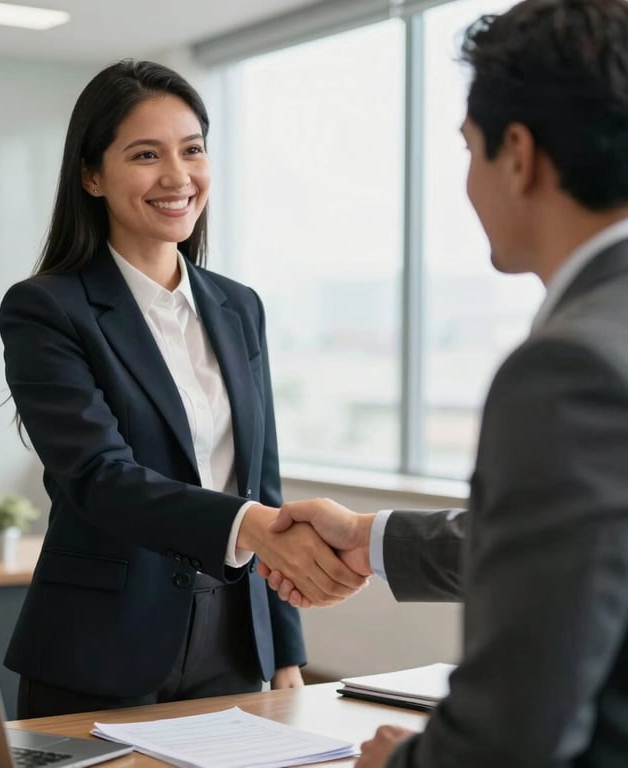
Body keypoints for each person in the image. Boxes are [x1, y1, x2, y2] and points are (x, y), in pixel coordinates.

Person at [260, 0, 628, 765]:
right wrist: (368, 538)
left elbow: (517, 731)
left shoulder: (570, 369)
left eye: (469, 149)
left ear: (519, 154)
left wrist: (400, 763)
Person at [0, 59, 366, 719]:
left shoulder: (237, 306)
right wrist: (250, 525)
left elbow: (263, 477)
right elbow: (99, 478)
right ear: (92, 175)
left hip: (232, 635)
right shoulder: (47, 309)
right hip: (101, 642)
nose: (177, 176)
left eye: (192, 150)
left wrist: (284, 643)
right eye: (146, 154)